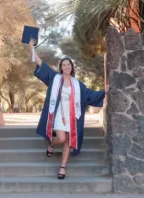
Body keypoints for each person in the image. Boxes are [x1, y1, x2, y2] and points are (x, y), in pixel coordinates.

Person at [29, 39, 109, 180]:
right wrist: (31, 47)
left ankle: (63, 167)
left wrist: (104, 92)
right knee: (61, 138)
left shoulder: (77, 84)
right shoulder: (55, 78)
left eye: (68, 64)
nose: (66, 66)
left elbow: (90, 95)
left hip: (72, 114)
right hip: (59, 113)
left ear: (72, 67)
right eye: (64, 65)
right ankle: (51, 144)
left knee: (68, 141)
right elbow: (40, 63)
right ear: (61, 67)